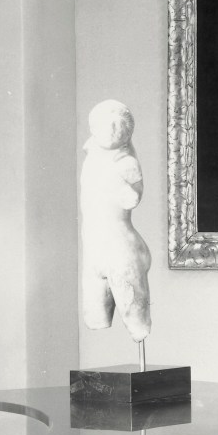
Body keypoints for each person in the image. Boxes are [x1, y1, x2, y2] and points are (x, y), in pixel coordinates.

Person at [79, 100, 152, 344]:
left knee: (137, 323)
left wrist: (124, 187)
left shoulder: (126, 163)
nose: (111, 131)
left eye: (117, 128)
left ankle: (140, 329)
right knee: (95, 317)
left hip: (121, 251)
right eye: (105, 126)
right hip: (94, 251)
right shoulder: (92, 156)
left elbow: (132, 197)